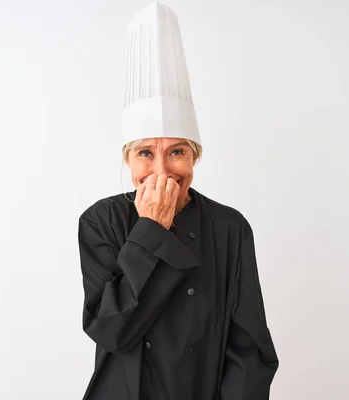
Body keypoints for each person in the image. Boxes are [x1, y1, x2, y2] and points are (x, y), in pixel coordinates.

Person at [77, 2, 278, 399]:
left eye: (177, 152)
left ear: (196, 156)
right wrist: (150, 230)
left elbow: (249, 349)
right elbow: (112, 330)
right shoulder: (102, 221)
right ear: (127, 159)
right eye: (145, 153)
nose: (163, 171)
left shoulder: (228, 227)